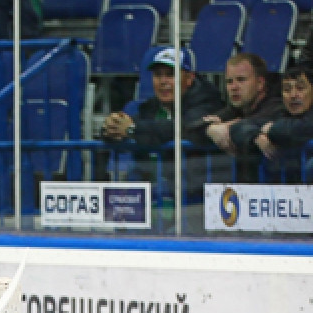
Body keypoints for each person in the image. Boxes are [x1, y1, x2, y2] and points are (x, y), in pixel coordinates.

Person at [100, 47, 224, 200]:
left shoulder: (207, 103)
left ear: (189, 78)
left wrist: (132, 129)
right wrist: (112, 127)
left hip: (198, 200)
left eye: (170, 75)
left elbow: (184, 128)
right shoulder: (150, 107)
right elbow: (135, 124)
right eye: (158, 75)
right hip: (157, 198)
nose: (163, 82)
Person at [190, 53, 284, 181]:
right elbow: (190, 127)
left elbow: (252, 124)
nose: (234, 87)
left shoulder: (277, 106)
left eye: (241, 80)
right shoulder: (236, 109)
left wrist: (229, 128)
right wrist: (210, 129)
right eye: (229, 81)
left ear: (260, 83)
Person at [238, 65, 313, 183]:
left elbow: (303, 128)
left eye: (300, 88)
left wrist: (272, 128)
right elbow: (240, 126)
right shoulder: (278, 112)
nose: (293, 95)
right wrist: (256, 136)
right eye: (287, 90)